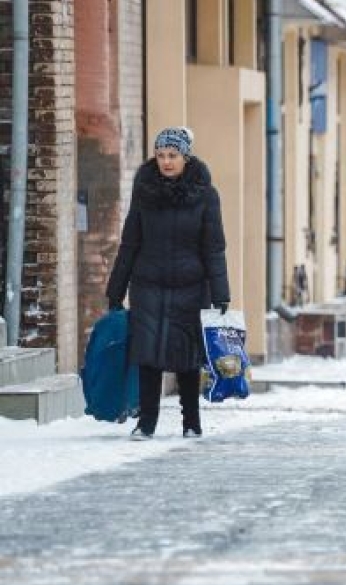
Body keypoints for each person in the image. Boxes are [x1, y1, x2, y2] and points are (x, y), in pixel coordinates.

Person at [106, 126, 230, 441]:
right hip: (148, 285)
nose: (166, 162)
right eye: (161, 155)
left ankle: (191, 422)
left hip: (190, 287)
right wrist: (116, 290)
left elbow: (213, 248)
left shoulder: (205, 195)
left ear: (185, 157)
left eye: (172, 155)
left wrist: (221, 293)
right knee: (148, 357)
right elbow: (130, 243)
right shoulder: (144, 192)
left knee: (186, 359)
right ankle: (146, 423)